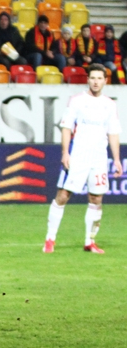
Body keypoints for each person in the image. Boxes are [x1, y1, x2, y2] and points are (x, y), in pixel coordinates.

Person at [44, 64, 122, 255]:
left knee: (96, 198)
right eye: (92, 78)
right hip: (78, 154)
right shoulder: (77, 100)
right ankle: (50, 239)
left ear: (105, 81)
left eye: (99, 78)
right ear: (88, 79)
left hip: (99, 158)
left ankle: (90, 241)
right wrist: (65, 152)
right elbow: (66, 128)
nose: (95, 82)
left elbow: (113, 132)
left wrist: (117, 159)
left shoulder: (109, 104)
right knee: (63, 195)